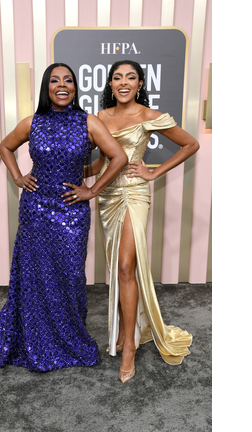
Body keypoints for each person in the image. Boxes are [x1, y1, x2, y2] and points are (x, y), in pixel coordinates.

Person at [0, 63, 128, 372]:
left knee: (70, 276)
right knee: (34, 275)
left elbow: (119, 157)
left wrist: (92, 190)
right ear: (47, 87)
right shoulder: (32, 122)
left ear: (76, 87)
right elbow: (5, 146)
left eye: (68, 80)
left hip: (71, 212)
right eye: (55, 80)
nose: (62, 85)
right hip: (35, 210)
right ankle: (35, 336)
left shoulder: (89, 122)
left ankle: (67, 338)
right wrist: (18, 176)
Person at [87, 60, 200, 383]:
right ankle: (127, 330)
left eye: (131, 77)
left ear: (139, 84)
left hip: (135, 194)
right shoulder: (99, 119)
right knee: (120, 269)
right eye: (118, 77)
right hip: (107, 196)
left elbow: (191, 144)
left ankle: (129, 348)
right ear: (110, 84)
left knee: (125, 266)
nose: (124, 82)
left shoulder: (149, 116)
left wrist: (154, 172)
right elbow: (100, 164)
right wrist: (78, 179)